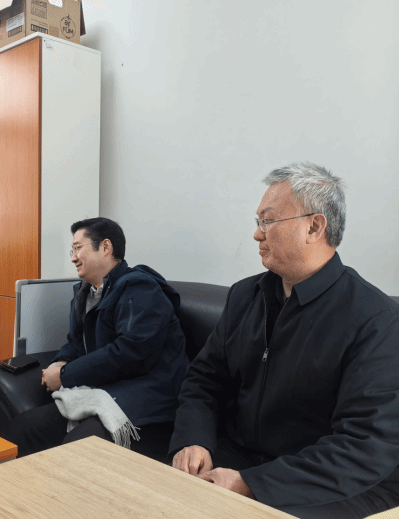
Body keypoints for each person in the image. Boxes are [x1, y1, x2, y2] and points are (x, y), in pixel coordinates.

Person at [169, 163, 399, 518]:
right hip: (243, 457)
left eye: (268, 221)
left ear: (314, 226)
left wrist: (251, 484)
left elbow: (365, 446)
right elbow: (204, 380)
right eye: (258, 221)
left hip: (326, 480)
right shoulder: (244, 296)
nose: (256, 234)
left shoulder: (376, 319)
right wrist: (194, 440)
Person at [9, 217, 189, 458]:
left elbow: (131, 352)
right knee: (23, 428)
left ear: (105, 247)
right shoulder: (85, 293)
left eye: (78, 248)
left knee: (78, 448)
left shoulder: (140, 288)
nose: (73, 258)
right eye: (72, 250)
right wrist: (60, 362)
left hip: (148, 400)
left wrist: (65, 375)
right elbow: (76, 342)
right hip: (108, 389)